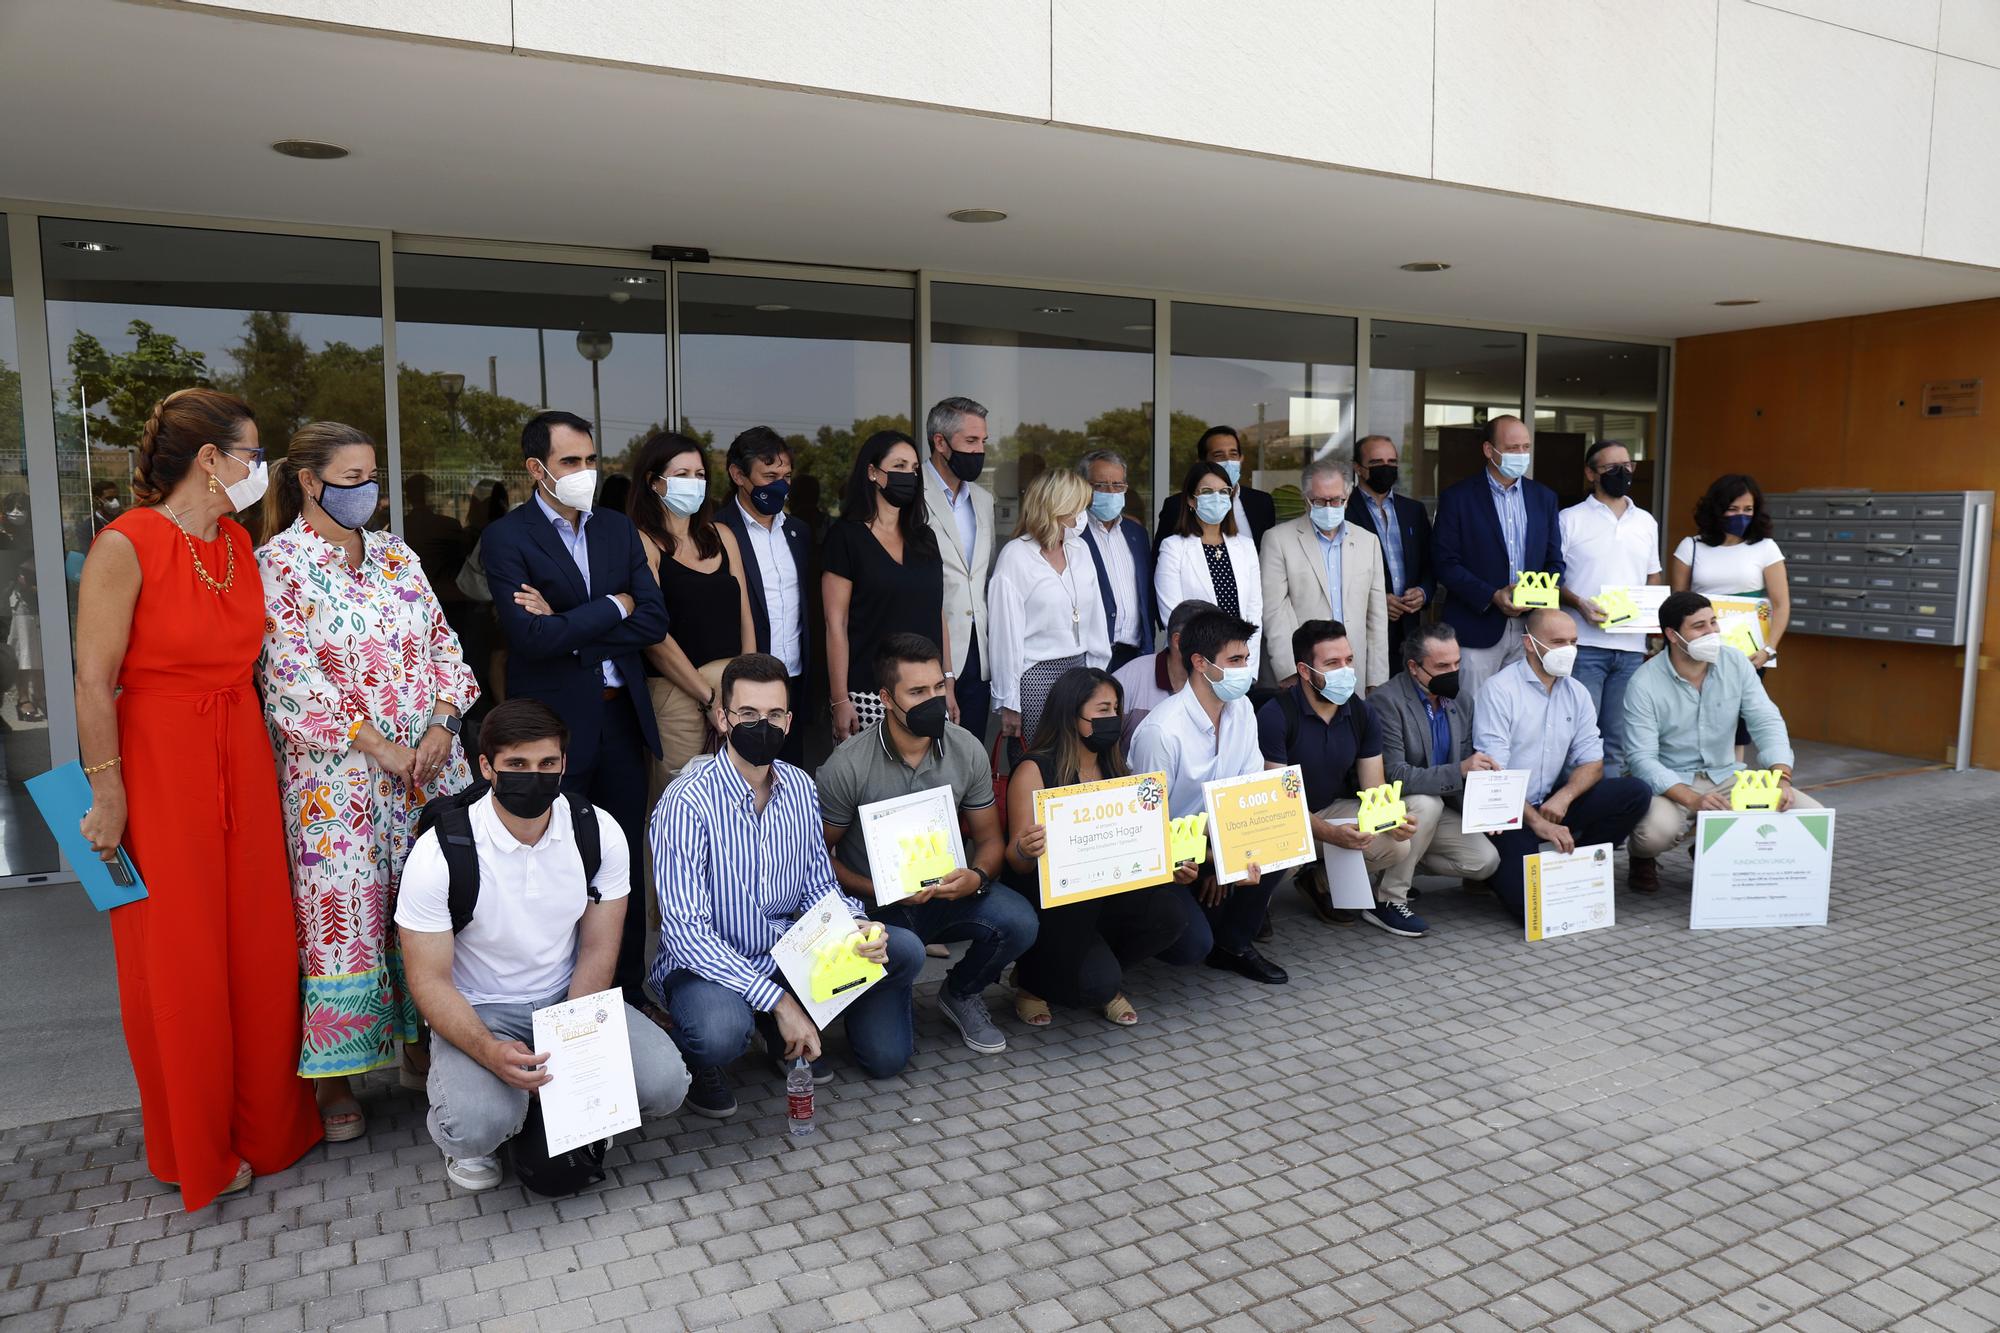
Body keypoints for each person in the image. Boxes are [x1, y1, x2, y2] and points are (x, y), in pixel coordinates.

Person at [74, 387, 321, 1209]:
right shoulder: (127, 542)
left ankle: (265, 1127)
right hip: (157, 761)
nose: (261, 470)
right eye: (253, 454)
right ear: (209, 459)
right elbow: (92, 681)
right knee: (176, 963)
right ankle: (197, 1145)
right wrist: (107, 793)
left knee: (255, 947)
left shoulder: (240, 546)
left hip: (240, 756)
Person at [255, 422, 479, 1143]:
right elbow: (288, 673)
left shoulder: (396, 555)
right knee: (342, 918)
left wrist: (444, 719)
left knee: (429, 907)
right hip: (338, 783)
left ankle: (424, 1043)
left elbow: (445, 641)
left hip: (427, 771)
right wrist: (374, 743)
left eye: (372, 475)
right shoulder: (279, 565)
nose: (368, 491)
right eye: (352, 478)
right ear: (311, 482)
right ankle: (338, 1076)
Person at [395, 699, 689, 1191]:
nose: (534, 776)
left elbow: (598, 951)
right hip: (481, 1011)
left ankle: (546, 1109)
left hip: (567, 999)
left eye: (547, 764)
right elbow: (427, 979)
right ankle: (496, 1122)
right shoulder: (439, 853)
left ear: (564, 765)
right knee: (471, 1127)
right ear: (486, 766)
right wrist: (489, 1052)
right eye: (516, 765)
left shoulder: (598, 832)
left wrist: (576, 1050)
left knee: (667, 1085)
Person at [651, 653, 922, 1116]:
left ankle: (784, 1037)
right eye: (748, 714)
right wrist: (778, 1000)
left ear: (790, 720)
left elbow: (818, 883)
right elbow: (685, 933)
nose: (763, 725)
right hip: (709, 963)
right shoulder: (687, 802)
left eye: (775, 714)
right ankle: (699, 1060)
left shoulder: (798, 785)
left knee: (903, 949)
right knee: (718, 1031)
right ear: (723, 717)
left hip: (783, 951)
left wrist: (855, 923)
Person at [479, 410, 670, 1006]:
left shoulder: (615, 527)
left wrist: (569, 624)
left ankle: (629, 995)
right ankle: (564, 998)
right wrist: (614, 606)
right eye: (570, 463)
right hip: (553, 732)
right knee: (562, 863)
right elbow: (529, 639)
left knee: (622, 864)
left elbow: (654, 618)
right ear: (537, 469)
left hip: (621, 719)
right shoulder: (507, 538)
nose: (585, 472)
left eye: (591, 460)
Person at [817, 634, 1032, 1055]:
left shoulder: (965, 747)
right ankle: (883, 994)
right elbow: (817, 858)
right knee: (885, 1058)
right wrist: (873, 888)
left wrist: (977, 875)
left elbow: (989, 838)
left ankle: (962, 992)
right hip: (876, 912)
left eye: (938, 687)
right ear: (885, 698)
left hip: (945, 895)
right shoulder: (847, 765)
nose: (934, 700)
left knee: (1019, 920)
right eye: (917, 692)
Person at [1003, 667, 1195, 1027]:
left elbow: (1140, 847)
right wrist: (1026, 849)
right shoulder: (1035, 769)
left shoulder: (1117, 768)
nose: (1113, 718)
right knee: (1095, 985)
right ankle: (1032, 982)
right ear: (1070, 714)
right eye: (1102, 709)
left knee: (1169, 914)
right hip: (1054, 906)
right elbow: (1016, 863)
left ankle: (1094, 969)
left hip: (1105, 894)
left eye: (1116, 709)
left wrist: (1170, 864)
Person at [1128, 609, 1287, 985]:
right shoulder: (1161, 732)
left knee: (1280, 842)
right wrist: (1220, 861)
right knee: (1190, 946)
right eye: (1234, 660)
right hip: (1168, 859)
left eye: (1246, 659)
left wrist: (1232, 859)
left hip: (1215, 842)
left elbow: (1247, 792)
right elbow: (1147, 830)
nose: (1245, 669)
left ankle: (1234, 944)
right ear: (1199, 662)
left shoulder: (1243, 709)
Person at [1623, 593, 1822, 889]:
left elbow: (1766, 720)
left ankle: (1712, 846)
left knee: (1810, 815)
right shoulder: (1644, 682)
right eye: (1699, 626)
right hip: (1671, 782)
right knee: (1654, 834)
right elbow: (1641, 759)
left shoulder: (1735, 663)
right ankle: (1642, 858)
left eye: (1714, 622)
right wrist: (1693, 799)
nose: (1712, 632)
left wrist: (1781, 777)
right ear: (1672, 635)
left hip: (1726, 774)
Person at [1471, 608, 1651, 921]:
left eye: (1573, 641)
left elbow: (1593, 761)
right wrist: (1538, 822)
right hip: (1507, 814)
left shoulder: (1576, 691)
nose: (1568, 650)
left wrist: (1564, 797)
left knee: (1634, 792)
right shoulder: (1499, 690)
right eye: (1558, 642)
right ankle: (1509, 869)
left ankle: (1574, 865)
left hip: (1552, 803)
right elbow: (1494, 778)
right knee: (1534, 911)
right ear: (1529, 643)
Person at [1256, 620, 1431, 938]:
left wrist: (1392, 820)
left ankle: (1319, 881)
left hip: (1328, 809)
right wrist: (1330, 835)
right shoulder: (1275, 715)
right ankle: (1257, 904)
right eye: (1333, 663)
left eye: (1349, 660)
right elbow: (1278, 803)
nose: (1346, 670)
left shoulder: (1362, 713)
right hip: (1279, 818)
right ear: (1305, 671)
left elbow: (1374, 788)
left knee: (1396, 847)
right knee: (1280, 854)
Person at [626, 432, 755, 795]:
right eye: (683, 475)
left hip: (733, 689)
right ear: (654, 482)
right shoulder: (641, 542)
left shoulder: (723, 536)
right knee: (677, 799)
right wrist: (708, 697)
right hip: (677, 693)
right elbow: (654, 636)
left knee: (737, 796)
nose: (694, 484)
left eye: (700, 475)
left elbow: (744, 611)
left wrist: (749, 684)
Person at [823, 430, 952, 739]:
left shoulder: (925, 538)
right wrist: (840, 699)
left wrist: (948, 682)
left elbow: (939, 613)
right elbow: (835, 624)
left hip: (928, 693)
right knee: (872, 786)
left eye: (913, 468)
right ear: (872, 472)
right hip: (869, 695)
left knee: (928, 784)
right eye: (898, 466)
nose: (908, 475)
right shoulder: (846, 537)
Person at [1432, 414, 1566, 703]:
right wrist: (1492, 595)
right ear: (1488, 450)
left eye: (1525, 447)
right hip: (1476, 627)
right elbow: (1445, 562)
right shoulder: (1458, 498)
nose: (1521, 455)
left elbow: (1555, 561)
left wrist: (1538, 595)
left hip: (1531, 627)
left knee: (1523, 714)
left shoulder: (1544, 497)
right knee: (1471, 712)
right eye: (1512, 447)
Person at [1368, 622, 1503, 903]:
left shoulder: (1461, 701)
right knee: (1429, 803)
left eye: (1457, 663)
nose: (1453, 673)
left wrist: (1488, 808)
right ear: (1414, 667)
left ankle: (1400, 864)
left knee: (1484, 861)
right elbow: (1394, 775)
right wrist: (1460, 769)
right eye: (1442, 666)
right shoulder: (1386, 701)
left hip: (1437, 812)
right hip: (1397, 807)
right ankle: (1388, 900)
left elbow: (1465, 765)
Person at [1558, 440, 1663, 778]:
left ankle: (1609, 818)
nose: (1623, 472)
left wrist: (1654, 624)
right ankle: (1574, 816)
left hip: (1631, 650)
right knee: (1579, 740)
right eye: (1611, 468)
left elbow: (1653, 575)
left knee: (1618, 740)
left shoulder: (1646, 522)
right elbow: (1551, 579)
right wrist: (1579, 604)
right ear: (1591, 473)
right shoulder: (1568, 519)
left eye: (1628, 465)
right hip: (1583, 646)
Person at [714, 426, 815, 766]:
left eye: (786, 476)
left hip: (796, 680)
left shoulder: (799, 532)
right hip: (747, 686)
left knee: (792, 773)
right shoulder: (716, 532)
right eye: (769, 475)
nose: (780, 485)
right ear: (738, 475)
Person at [990, 469, 1111, 748]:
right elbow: (1004, 636)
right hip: (1036, 678)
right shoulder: (1016, 556)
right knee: (1041, 764)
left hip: (1081, 672)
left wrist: (1099, 675)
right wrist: (1009, 700)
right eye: (1078, 508)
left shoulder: (1079, 549)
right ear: (1057, 508)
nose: (1083, 516)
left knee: (1081, 760)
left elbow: (1096, 621)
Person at [1670, 474, 1790, 753]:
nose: (1741, 516)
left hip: (1747, 653)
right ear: (1716, 508)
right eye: (1733, 509)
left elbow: (1781, 604)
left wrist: (1769, 649)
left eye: (1748, 509)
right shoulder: (1692, 546)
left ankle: (1733, 779)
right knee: (1691, 716)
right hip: (1697, 648)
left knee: (1736, 721)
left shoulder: (1765, 547)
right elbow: (1678, 601)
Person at [1259, 459, 1388, 689]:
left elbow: (1376, 616)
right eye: (1320, 500)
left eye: (1337, 500)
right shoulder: (1278, 540)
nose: (1329, 507)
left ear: (1347, 499)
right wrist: (1289, 671)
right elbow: (1274, 612)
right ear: (1306, 499)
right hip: (1305, 670)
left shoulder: (1368, 542)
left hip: (1352, 670)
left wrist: (1376, 679)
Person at [924, 396, 996, 742]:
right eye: (971, 441)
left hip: (978, 650)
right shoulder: (910, 494)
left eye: (983, 441)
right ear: (941, 442)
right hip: (928, 649)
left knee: (972, 752)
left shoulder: (983, 501)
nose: (980, 450)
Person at [1155, 462, 1264, 671]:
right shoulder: (1173, 548)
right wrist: (1206, 666)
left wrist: (1247, 667)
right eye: (1207, 492)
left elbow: (1254, 611)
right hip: (1194, 666)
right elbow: (1174, 616)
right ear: (1190, 499)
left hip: (1239, 664)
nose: (1217, 498)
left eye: (1224, 492)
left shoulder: (1245, 546)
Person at [1346, 434, 1434, 674]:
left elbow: (1430, 562)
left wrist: (1423, 592)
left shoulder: (1413, 510)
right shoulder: (1344, 510)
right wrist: (1375, 600)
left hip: (1408, 630)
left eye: (1392, 462)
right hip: (1363, 630)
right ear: (1358, 468)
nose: (1386, 468)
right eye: (1376, 463)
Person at [1077, 449, 1154, 671]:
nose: (1110, 492)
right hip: (1091, 656)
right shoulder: (1074, 533)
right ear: (1084, 487)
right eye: (1100, 485)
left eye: (1118, 485)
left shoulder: (1136, 533)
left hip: (1136, 653)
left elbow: (1145, 593)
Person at [1154, 426, 1277, 549]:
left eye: (1233, 454)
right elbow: (1159, 557)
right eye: (1219, 455)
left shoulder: (1262, 502)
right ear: (1202, 462)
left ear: (1241, 459)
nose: (1228, 460)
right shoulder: (1176, 505)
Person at [1114, 597, 1217, 734]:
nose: (1219, 648)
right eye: (1210, 639)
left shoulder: (1222, 682)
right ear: (1178, 641)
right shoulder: (1128, 680)